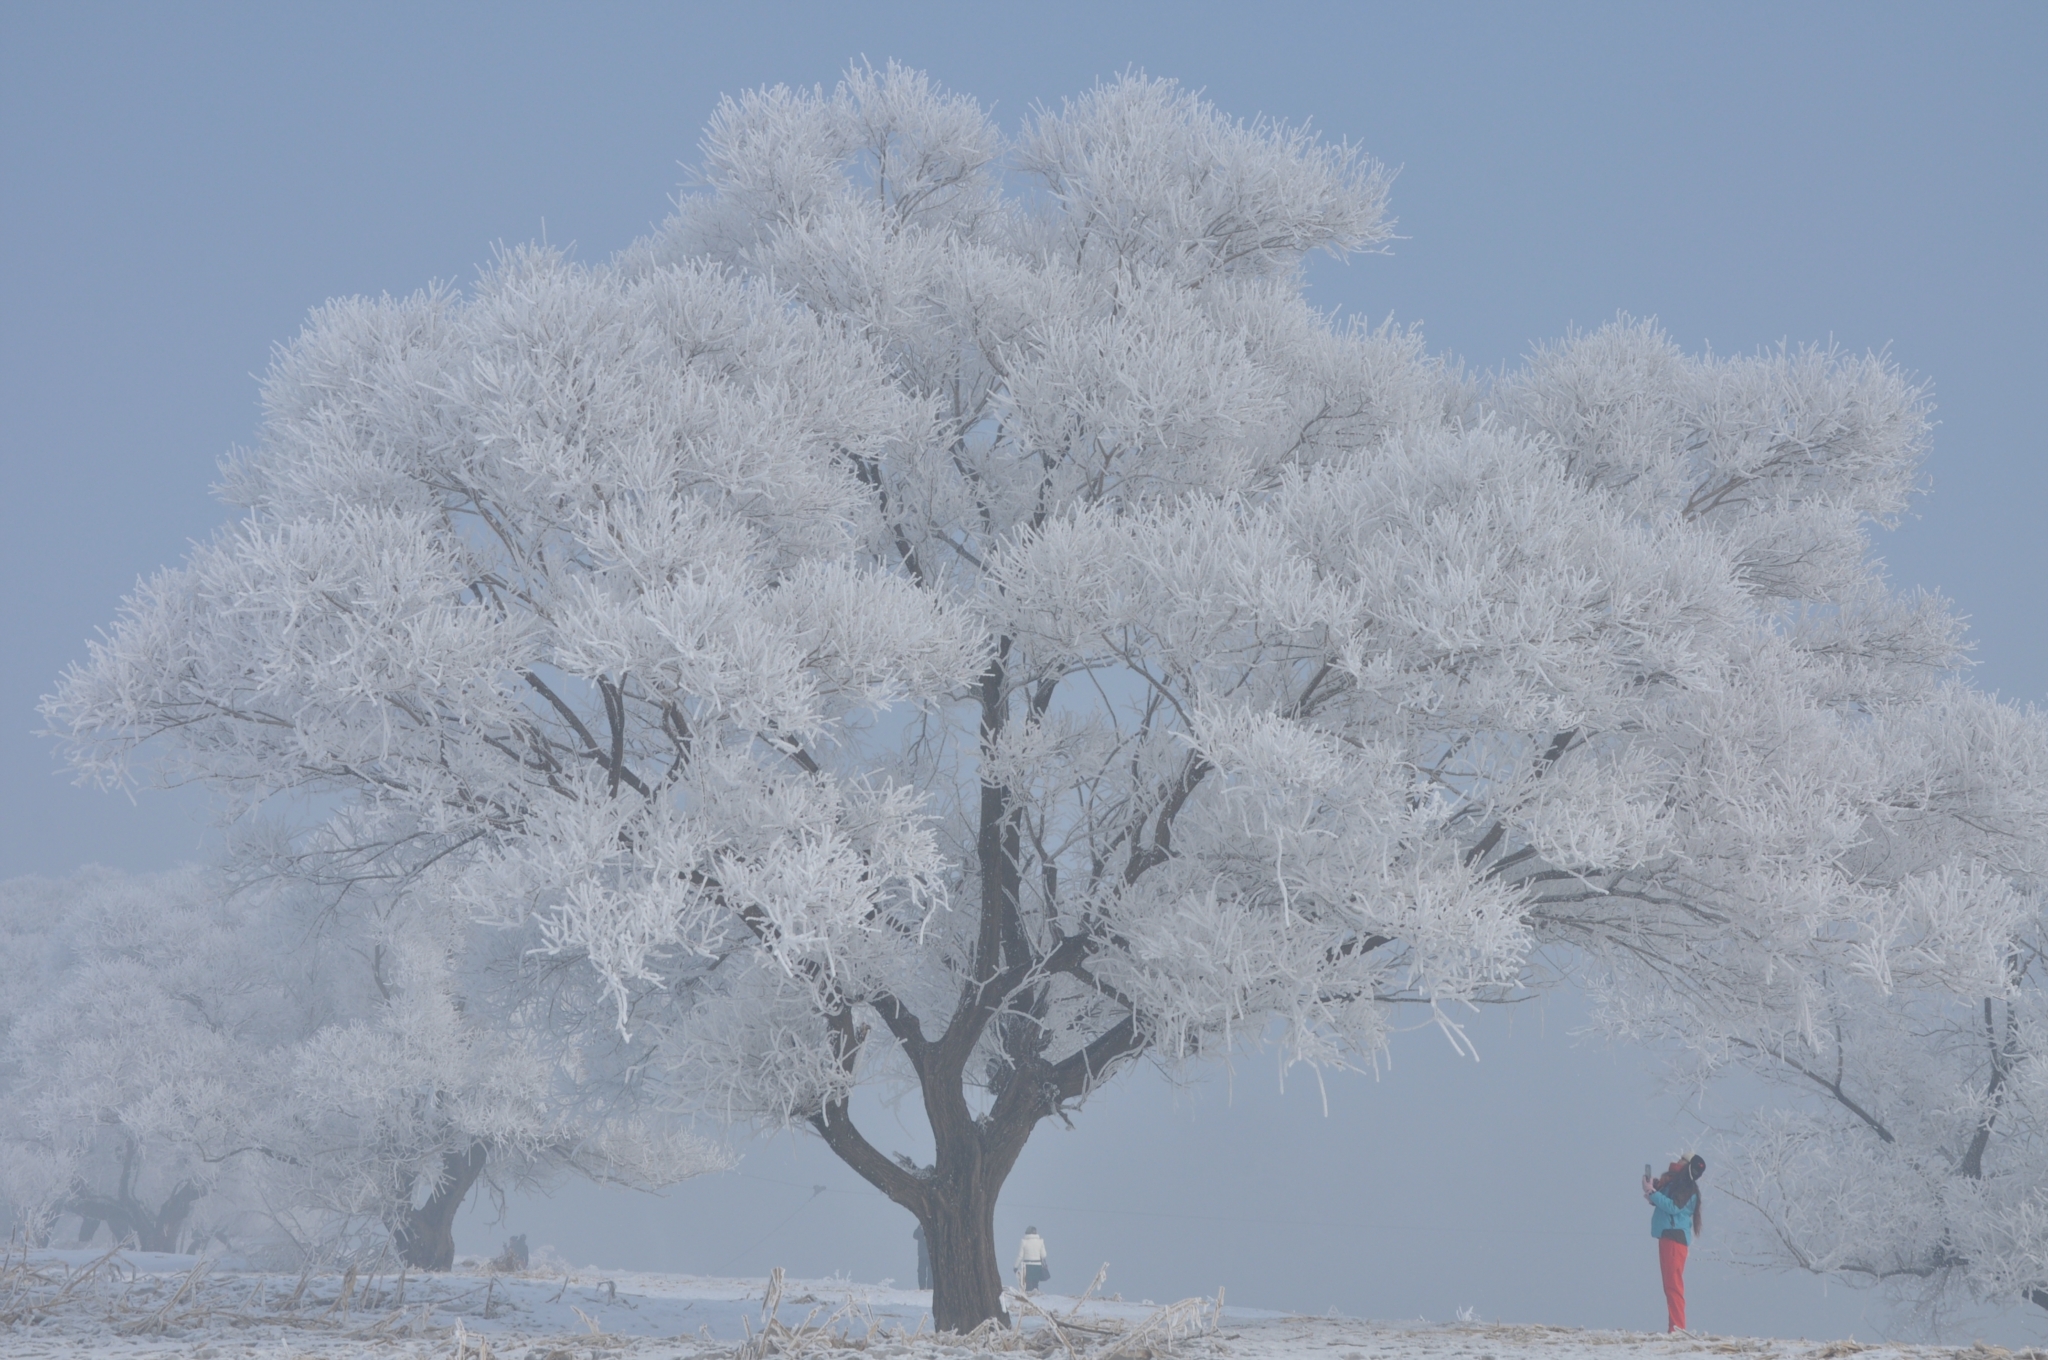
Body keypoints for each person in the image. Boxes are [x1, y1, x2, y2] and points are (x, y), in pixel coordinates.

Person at [1642, 1154, 1706, 1332]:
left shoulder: (1685, 1185)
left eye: (1683, 1159)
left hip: (1673, 1239)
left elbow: (1673, 1207)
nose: (1678, 1161)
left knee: (1673, 1286)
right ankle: (1676, 1327)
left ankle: (1677, 1327)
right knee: (1670, 1285)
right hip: (1669, 1237)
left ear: (1687, 1165)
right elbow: (1668, 1204)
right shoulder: (1680, 1183)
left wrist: (1653, 1193)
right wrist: (1654, 1191)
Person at [1014, 1225, 1050, 1293]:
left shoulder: (1024, 1242)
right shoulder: (1040, 1241)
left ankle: (1028, 1297)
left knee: (1028, 1283)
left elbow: (1020, 1256)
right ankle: (1036, 1296)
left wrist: (1015, 1266)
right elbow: (1044, 1255)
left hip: (1027, 1266)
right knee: (1035, 1283)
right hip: (1037, 1265)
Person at [913, 1223, 931, 1290]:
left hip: (928, 1254)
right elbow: (915, 1235)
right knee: (922, 1271)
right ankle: (922, 1286)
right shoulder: (920, 1228)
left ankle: (929, 1287)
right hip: (923, 1255)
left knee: (929, 1272)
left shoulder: (931, 1226)